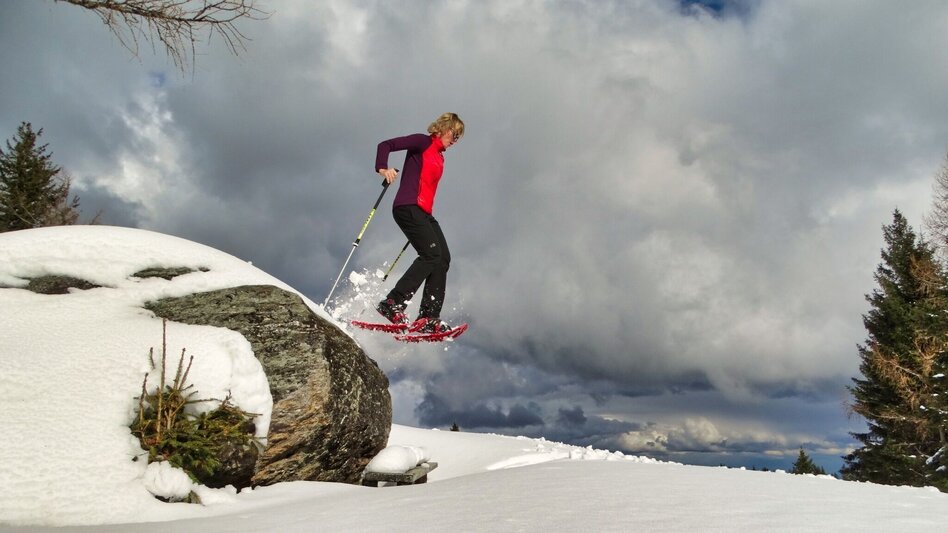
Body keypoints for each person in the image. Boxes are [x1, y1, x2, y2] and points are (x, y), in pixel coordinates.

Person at [374, 112, 464, 334]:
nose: (455, 141)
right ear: (443, 128)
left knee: (442, 258)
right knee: (431, 255)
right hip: (408, 207)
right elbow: (385, 144)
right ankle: (392, 303)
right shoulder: (422, 142)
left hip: (423, 212)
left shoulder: (440, 156)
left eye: (458, 138)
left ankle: (428, 317)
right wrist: (383, 169)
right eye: (454, 134)